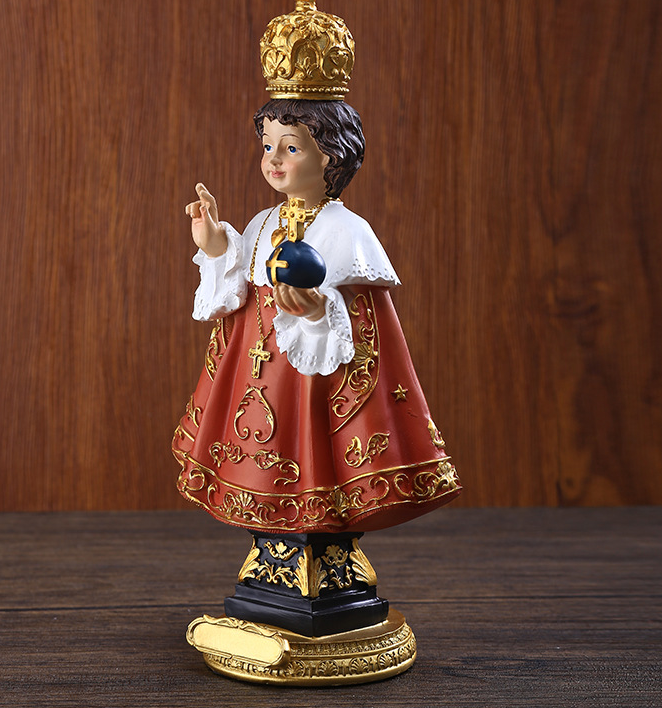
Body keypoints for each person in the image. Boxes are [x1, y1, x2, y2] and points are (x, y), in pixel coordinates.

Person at [172, 99, 460, 533]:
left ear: (328, 154)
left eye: (290, 148)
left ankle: (320, 525)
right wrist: (214, 245)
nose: (273, 159)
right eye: (267, 146)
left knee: (310, 457)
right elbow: (237, 297)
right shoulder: (262, 222)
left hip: (310, 379)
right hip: (257, 371)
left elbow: (363, 326)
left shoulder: (347, 231)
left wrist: (318, 311)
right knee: (255, 454)